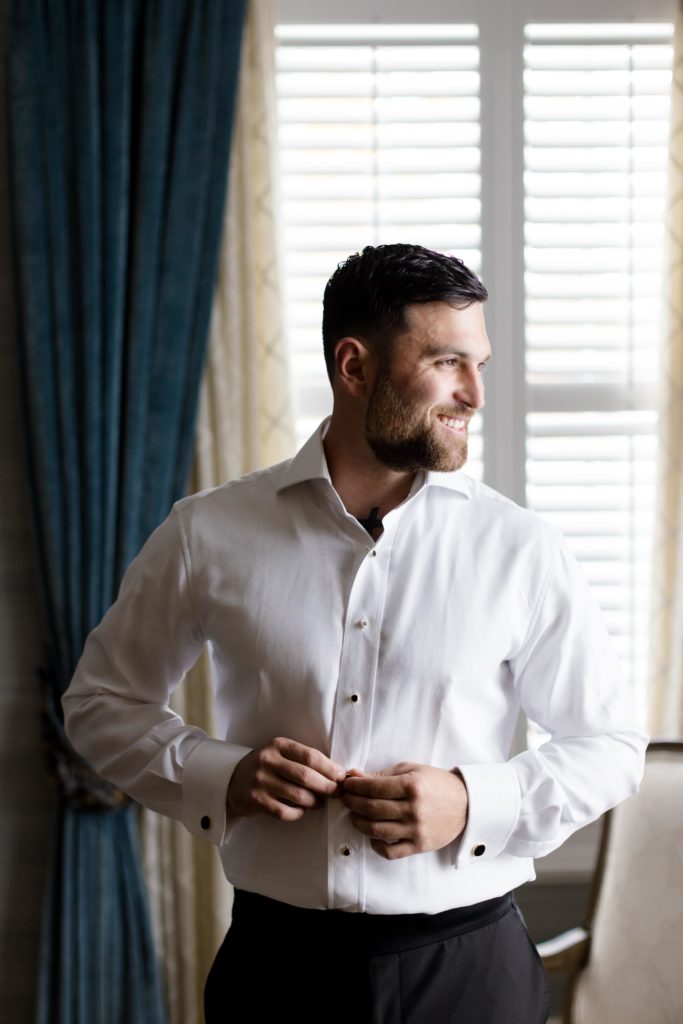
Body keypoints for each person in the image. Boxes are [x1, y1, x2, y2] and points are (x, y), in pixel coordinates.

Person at [63, 243, 647, 1023]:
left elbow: (608, 744)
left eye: (479, 365)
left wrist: (472, 802)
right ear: (354, 365)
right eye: (445, 362)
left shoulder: (521, 549)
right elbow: (100, 703)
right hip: (276, 972)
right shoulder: (208, 532)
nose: (473, 394)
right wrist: (221, 775)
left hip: (470, 974)